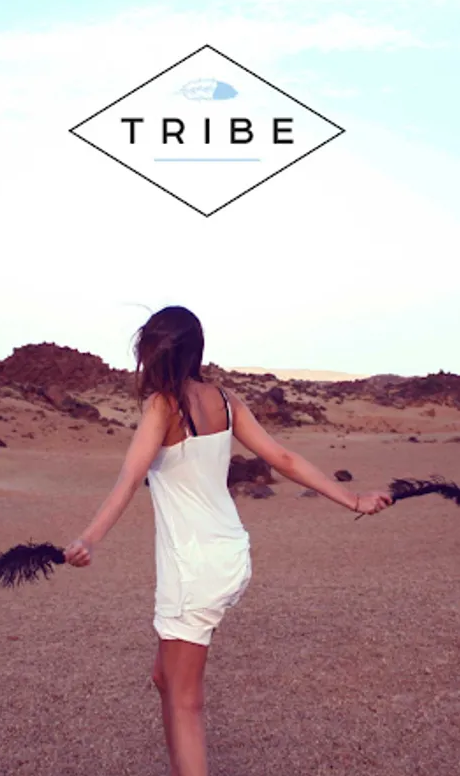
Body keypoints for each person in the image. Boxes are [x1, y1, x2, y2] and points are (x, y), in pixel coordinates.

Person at [64, 306, 392, 776]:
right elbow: (283, 458)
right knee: (165, 678)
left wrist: (90, 539)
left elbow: (130, 478)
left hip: (193, 567)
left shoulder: (162, 405)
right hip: (229, 554)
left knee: (185, 701)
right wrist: (352, 498)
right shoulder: (226, 399)